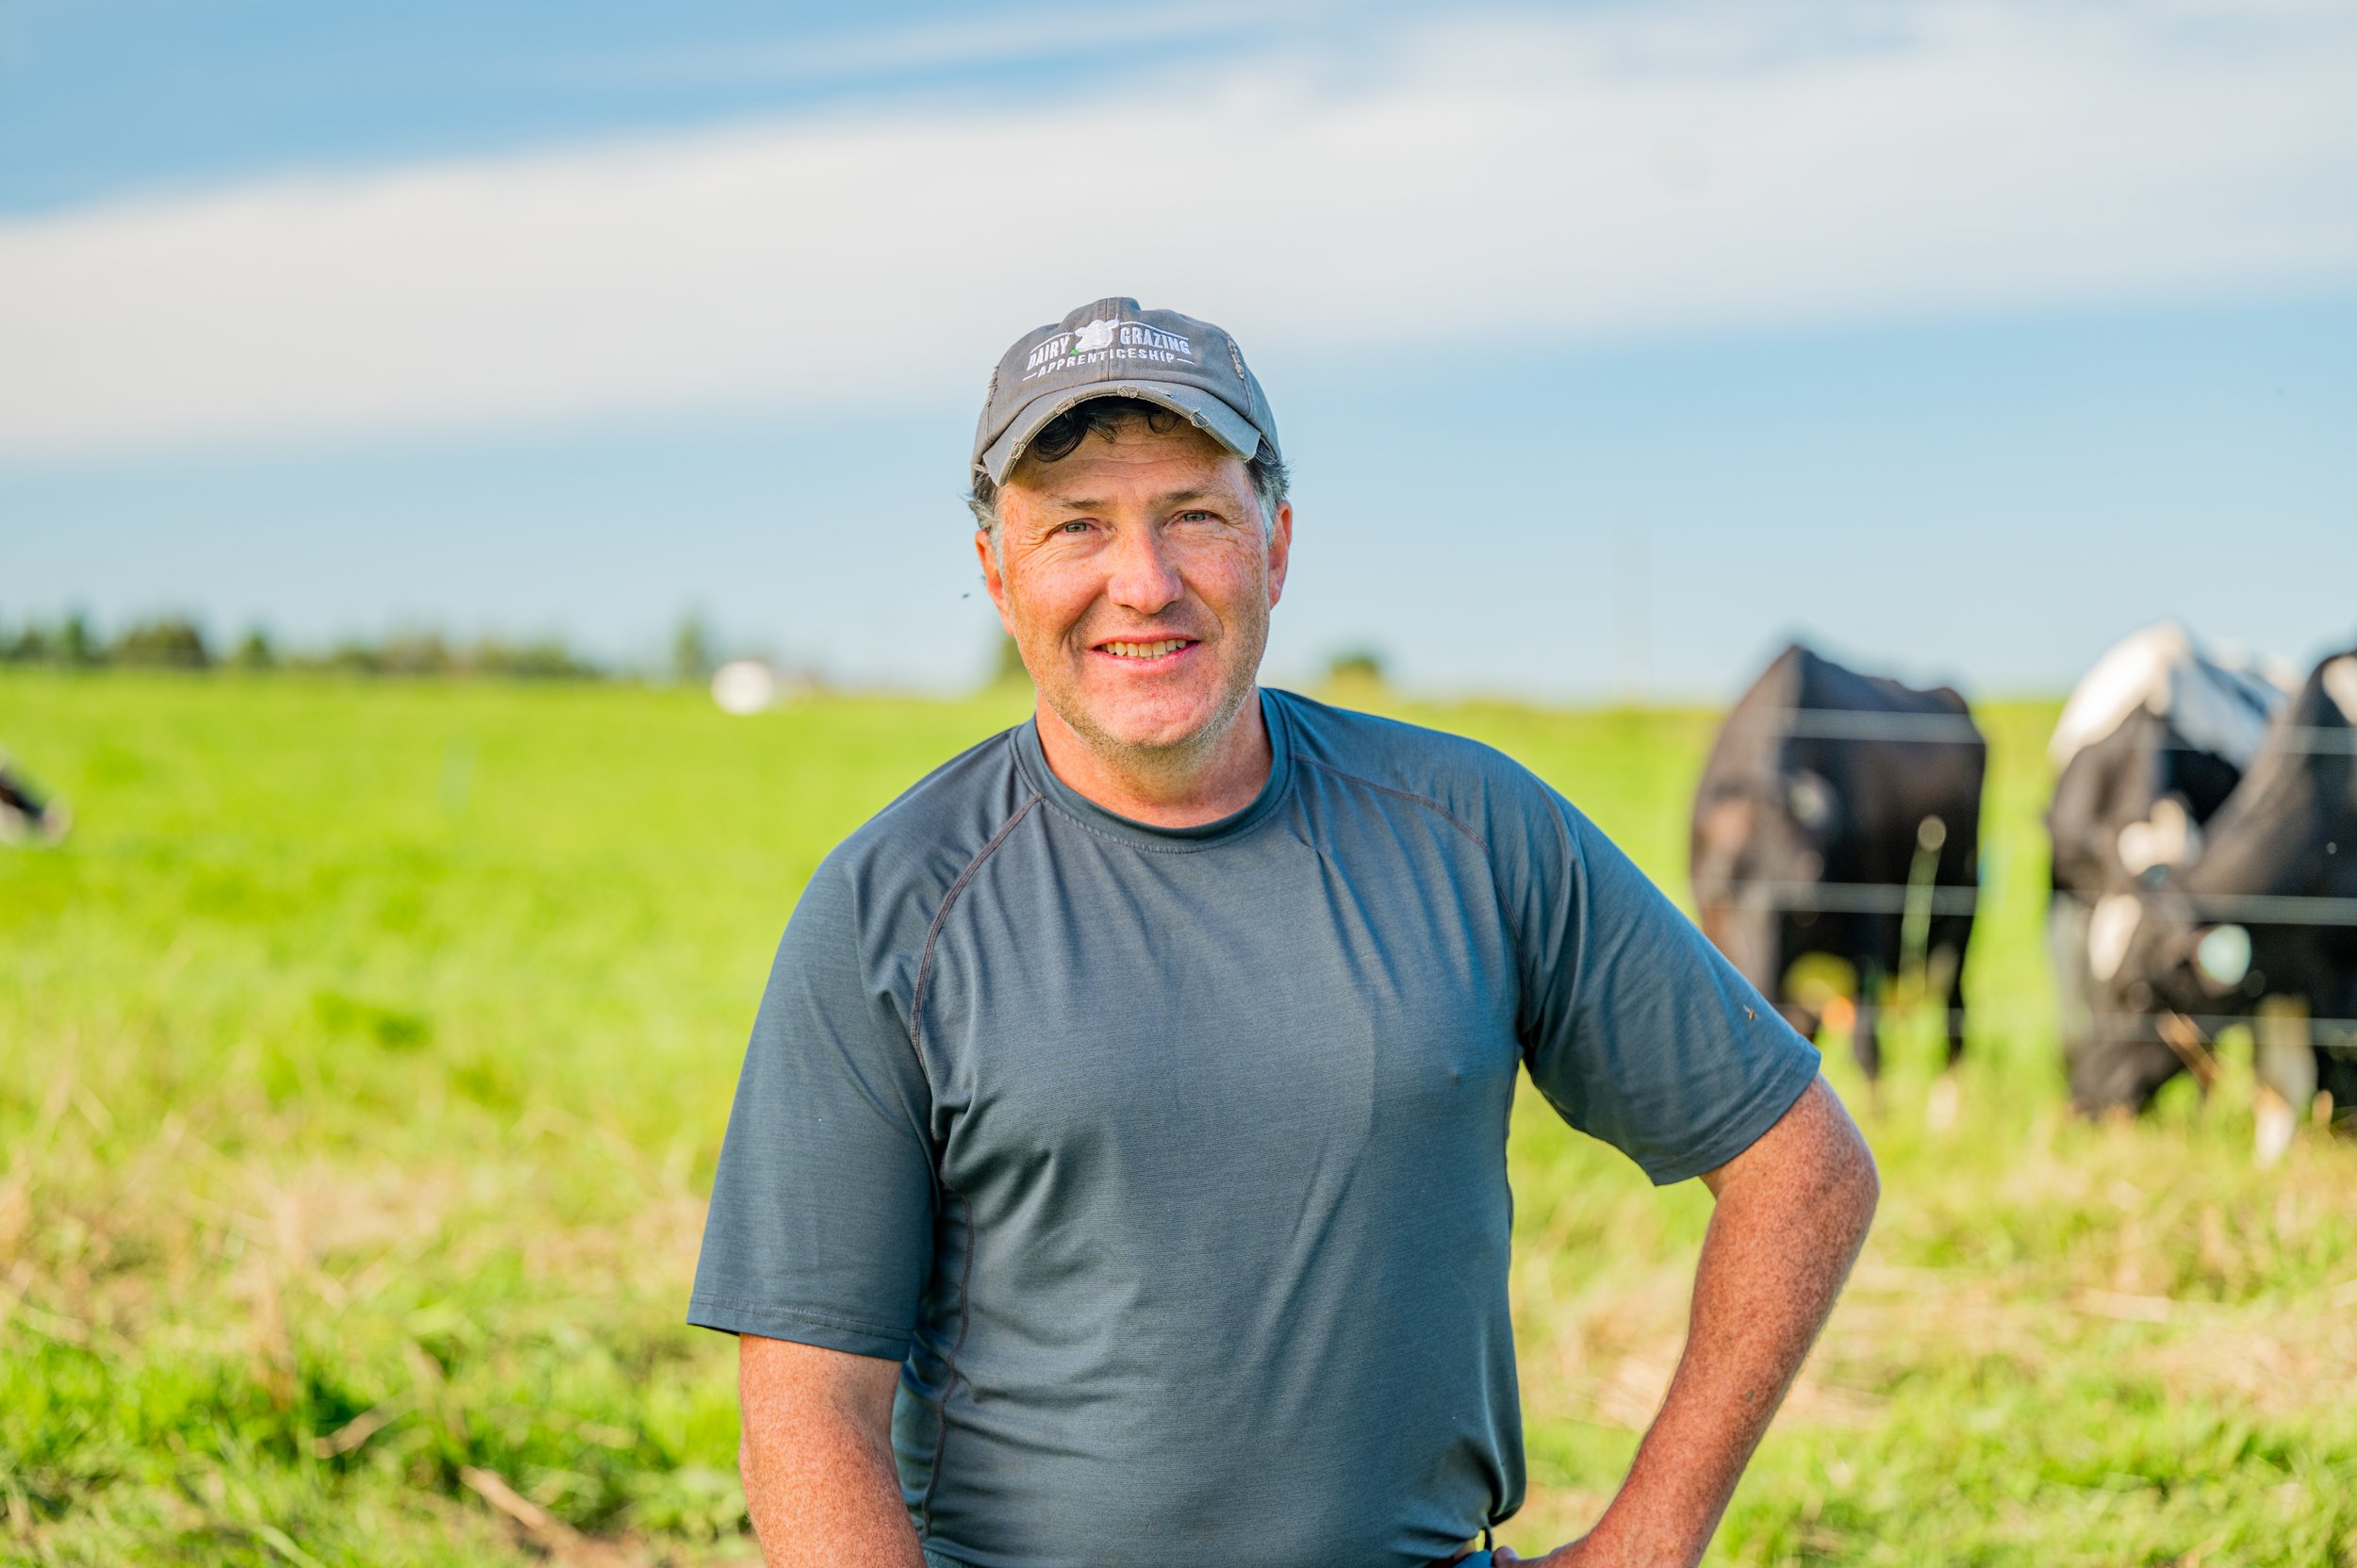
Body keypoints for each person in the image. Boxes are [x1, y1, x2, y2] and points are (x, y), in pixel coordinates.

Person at [689, 298, 1879, 1568]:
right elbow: (813, 1401)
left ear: (1278, 544)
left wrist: (1653, 1537)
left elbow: (1802, 1172)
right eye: (1075, 527)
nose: (1141, 583)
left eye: (1194, 515)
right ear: (998, 573)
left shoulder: (1472, 830)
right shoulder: (893, 907)